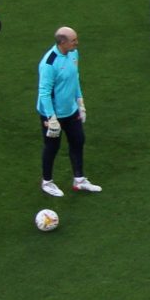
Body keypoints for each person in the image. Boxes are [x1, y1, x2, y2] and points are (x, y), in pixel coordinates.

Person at [35, 27, 100, 197]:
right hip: (53, 115)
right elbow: (44, 92)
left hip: (71, 111)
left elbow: (74, 78)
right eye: (73, 40)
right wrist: (51, 118)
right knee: (52, 147)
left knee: (78, 141)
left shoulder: (73, 53)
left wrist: (80, 102)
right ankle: (47, 182)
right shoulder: (49, 63)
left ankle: (79, 180)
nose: (77, 43)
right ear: (62, 42)